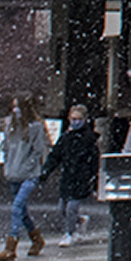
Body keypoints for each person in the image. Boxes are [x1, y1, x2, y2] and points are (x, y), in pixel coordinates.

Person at [0, 101, 53, 258]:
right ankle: (36, 238)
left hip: (28, 174)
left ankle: (11, 244)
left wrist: (30, 168)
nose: (15, 110)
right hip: (14, 172)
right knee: (22, 211)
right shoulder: (11, 126)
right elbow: (6, 147)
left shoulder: (35, 127)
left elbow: (37, 151)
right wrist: (7, 166)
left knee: (16, 207)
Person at [47, 100, 99, 246]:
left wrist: (93, 179)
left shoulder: (88, 139)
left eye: (78, 119)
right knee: (63, 208)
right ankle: (79, 221)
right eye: (73, 119)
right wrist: (46, 170)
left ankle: (69, 233)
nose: (75, 122)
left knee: (71, 207)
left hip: (80, 176)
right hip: (68, 175)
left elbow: (94, 161)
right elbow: (55, 155)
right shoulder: (66, 137)